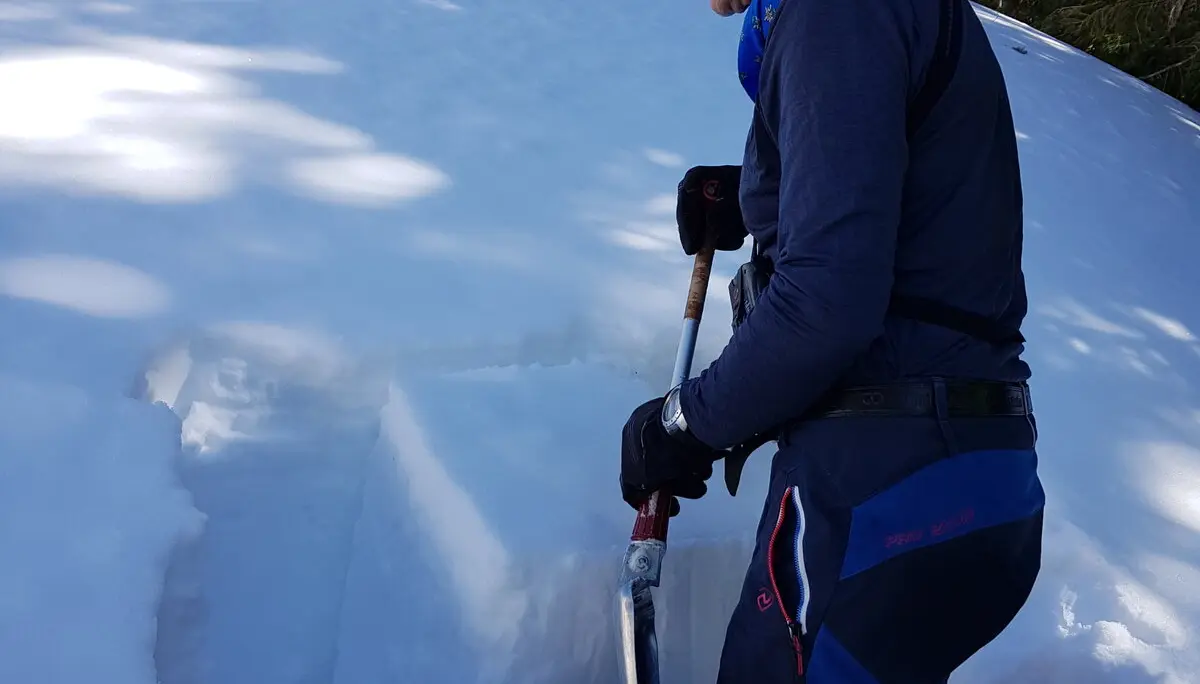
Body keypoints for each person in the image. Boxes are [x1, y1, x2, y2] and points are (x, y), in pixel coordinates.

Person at [618, 0, 1046, 682]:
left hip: (879, 487)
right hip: (968, 468)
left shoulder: (835, 12)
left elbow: (826, 304)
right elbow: (923, 206)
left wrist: (682, 424)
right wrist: (774, 197)